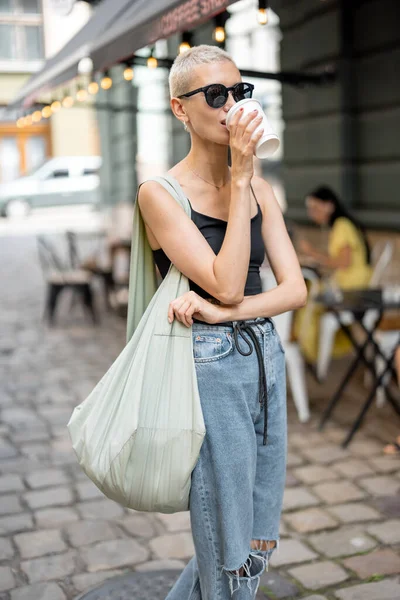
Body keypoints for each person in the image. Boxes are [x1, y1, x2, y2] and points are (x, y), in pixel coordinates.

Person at [137, 45, 307, 600]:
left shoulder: (260, 188)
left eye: (239, 91)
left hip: (265, 357)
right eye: (215, 94)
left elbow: (294, 289)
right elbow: (228, 280)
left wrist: (222, 311)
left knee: (256, 536)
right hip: (208, 369)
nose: (231, 103)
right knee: (228, 547)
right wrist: (240, 178)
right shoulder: (161, 195)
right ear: (180, 109)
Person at [294, 186, 372, 365]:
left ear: (329, 206)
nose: (311, 213)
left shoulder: (342, 225)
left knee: (308, 295)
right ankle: (312, 348)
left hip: (352, 286)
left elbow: (344, 262)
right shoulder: (339, 225)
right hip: (351, 282)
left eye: (315, 207)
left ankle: (309, 349)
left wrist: (313, 254)